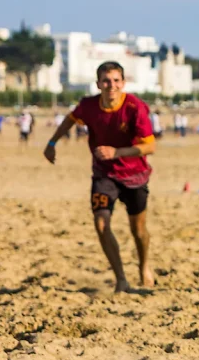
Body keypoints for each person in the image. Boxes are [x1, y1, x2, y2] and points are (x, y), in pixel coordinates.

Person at [42, 61, 156, 292]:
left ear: (123, 83)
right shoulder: (89, 106)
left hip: (135, 174)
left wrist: (118, 152)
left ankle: (144, 266)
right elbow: (70, 119)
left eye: (116, 81)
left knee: (139, 230)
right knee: (101, 223)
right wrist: (52, 142)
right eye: (106, 81)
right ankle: (121, 279)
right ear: (98, 84)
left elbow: (149, 147)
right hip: (104, 174)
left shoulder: (135, 107)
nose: (111, 86)